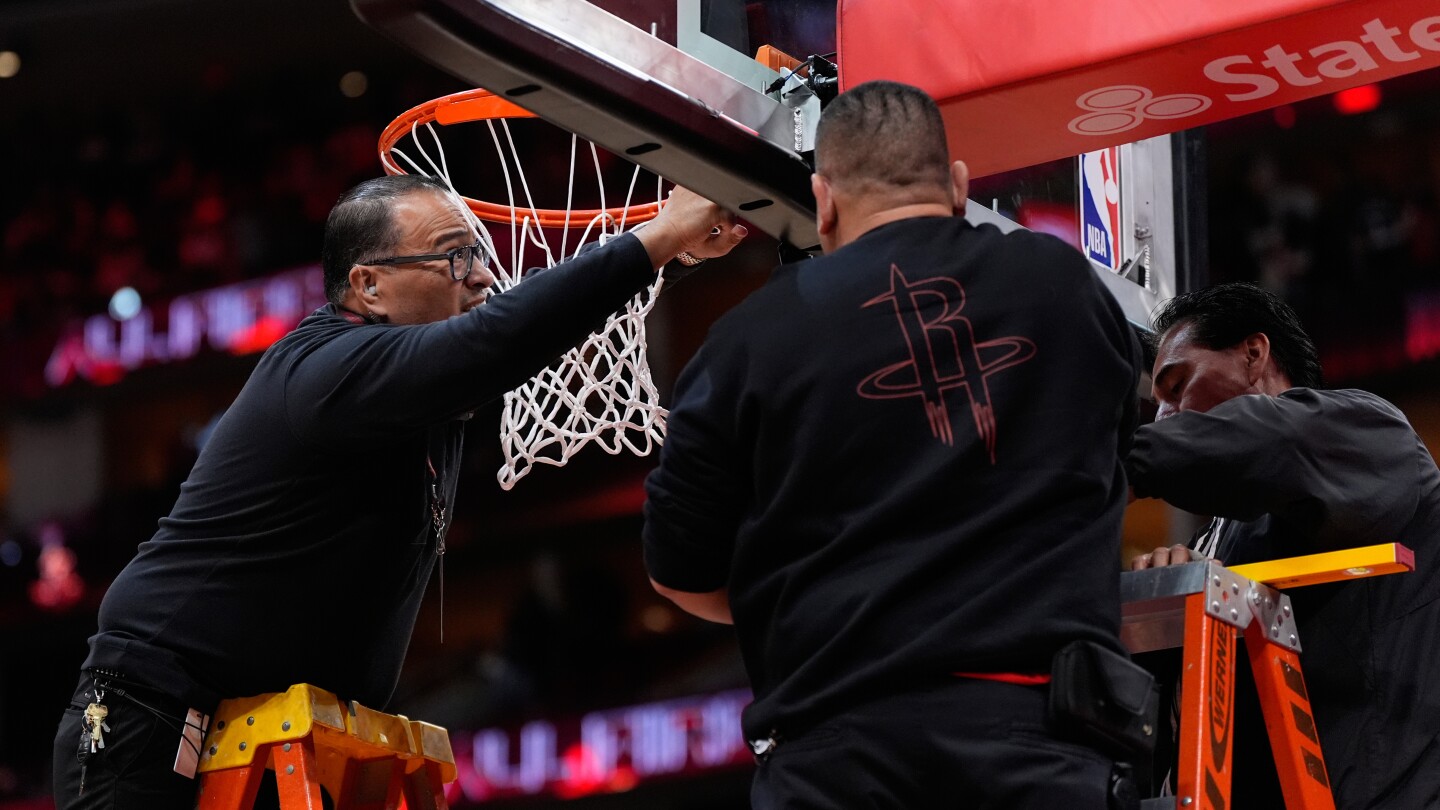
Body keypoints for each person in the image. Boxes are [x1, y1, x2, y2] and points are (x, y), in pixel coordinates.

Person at [51, 173, 745, 809]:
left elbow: (532, 327)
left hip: (273, 734)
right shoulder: (325, 368)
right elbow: (495, 340)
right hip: (156, 717)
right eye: (453, 259)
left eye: (479, 256)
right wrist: (658, 237)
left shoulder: (426, 396)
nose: (480, 278)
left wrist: (675, 260)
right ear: (369, 286)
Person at [642, 80, 1145, 808]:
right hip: (1040, 737)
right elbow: (1110, 458)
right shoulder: (1063, 284)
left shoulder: (747, 339)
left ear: (823, 200)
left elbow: (680, 572)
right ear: (958, 185)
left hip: (835, 755)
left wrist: (811, 595)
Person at [1127, 282, 1440, 808]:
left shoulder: (1372, 433)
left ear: (1254, 354)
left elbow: (1271, 437)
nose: (1164, 416)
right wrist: (1163, 603)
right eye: (1156, 404)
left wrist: (1102, 463)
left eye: (1178, 385)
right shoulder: (1221, 534)